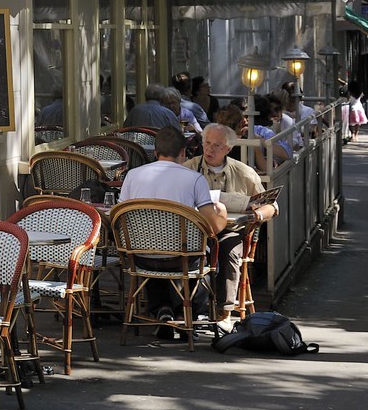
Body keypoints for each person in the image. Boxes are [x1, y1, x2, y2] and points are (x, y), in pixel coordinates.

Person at [119, 126, 227, 324]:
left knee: (153, 245)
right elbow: (213, 227)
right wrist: (223, 213)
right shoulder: (195, 179)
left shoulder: (132, 176)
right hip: (181, 258)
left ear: (155, 152)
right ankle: (185, 310)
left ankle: (161, 307)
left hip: (140, 257)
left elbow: (121, 216)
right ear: (183, 153)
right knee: (207, 254)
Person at [186, 123, 278, 316]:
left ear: (228, 148)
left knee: (227, 250)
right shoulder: (189, 169)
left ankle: (223, 310)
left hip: (231, 231)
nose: (210, 149)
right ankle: (187, 309)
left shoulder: (243, 172)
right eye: (207, 143)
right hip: (195, 230)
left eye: (217, 145)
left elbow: (272, 206)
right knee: (184, 251)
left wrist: (257, 215)